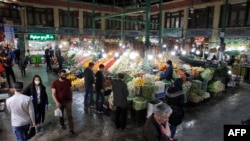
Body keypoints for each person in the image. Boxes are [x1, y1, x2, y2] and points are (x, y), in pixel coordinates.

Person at [51, 69, 75, 135]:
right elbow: (53, 94)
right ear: (59, 74)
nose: (64, 75)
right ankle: (62, 124)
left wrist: (71, 98)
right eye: (62, 74)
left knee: (69, 115)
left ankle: (71, 129)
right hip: (60, 102)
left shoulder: (68, 81)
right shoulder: (55, 83)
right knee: (61, 115)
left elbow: (70, 89)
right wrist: (56, 102)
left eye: (65, 74)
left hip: (68, 101)